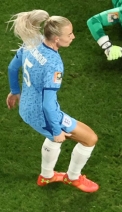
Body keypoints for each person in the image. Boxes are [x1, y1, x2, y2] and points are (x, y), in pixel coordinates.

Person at [6, 11, 100, 192]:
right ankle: (73, 178)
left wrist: (15, 91)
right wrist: (56, 130)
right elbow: (48, 105)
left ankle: (46, 176)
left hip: (26, 107)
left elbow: (12, 67)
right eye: (69, 34)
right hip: (43, 114)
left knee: (55, 138)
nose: (73, 37)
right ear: (56, 38)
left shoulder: (32, 41)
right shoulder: (53, 64)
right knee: (90, 139)